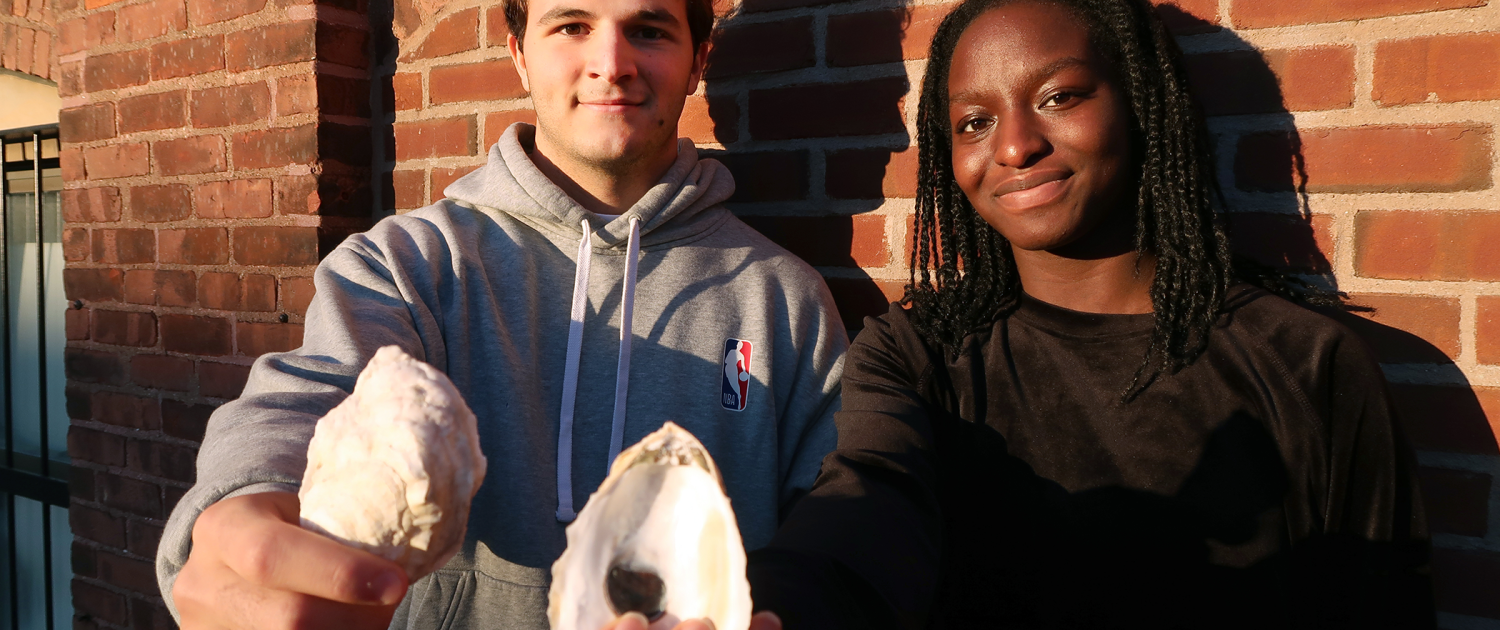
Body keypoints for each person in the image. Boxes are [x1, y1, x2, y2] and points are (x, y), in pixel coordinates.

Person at [155, 0, 844, 626]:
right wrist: (245, 504)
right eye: (572, 26)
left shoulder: (786, 298)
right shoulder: (410, 263)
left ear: (698, 61)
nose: (612, 63)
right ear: (518, 51)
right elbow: (309, 398)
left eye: (649, 30)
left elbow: (834, 528)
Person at [747, 0, 1433, 628]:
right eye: (974, 122)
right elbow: (867, 504)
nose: (1015, 146)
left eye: (1059, 97)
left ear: (1139, 103)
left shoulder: (1303, 363)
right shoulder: (920, 354)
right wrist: (774, 607)